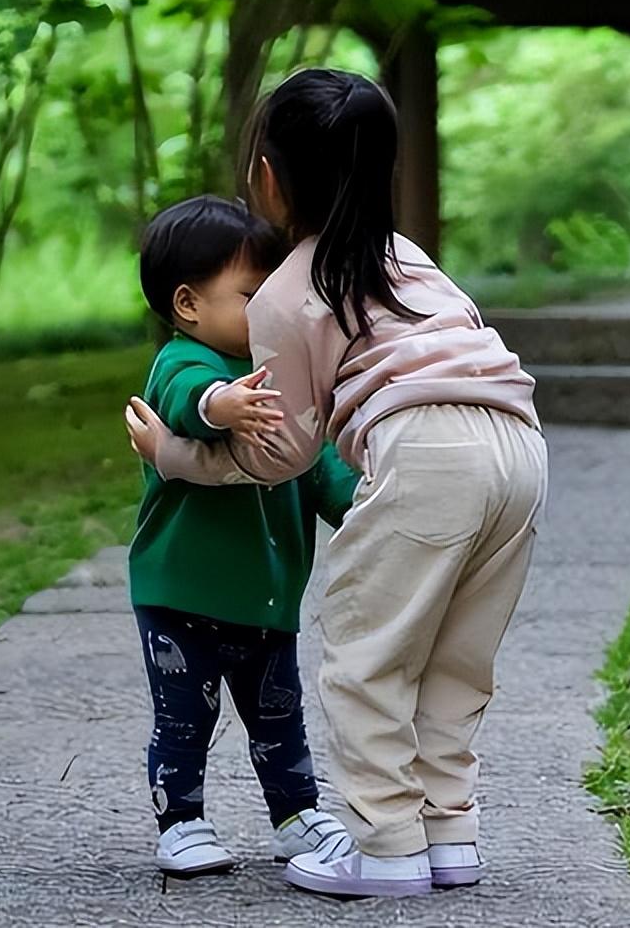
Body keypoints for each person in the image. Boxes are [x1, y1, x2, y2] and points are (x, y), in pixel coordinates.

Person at [124, 70, 548, 898]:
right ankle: (447, 834)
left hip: (427, 454)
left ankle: (386, 845)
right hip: (520, 448)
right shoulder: (408, 258)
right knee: (456, 658)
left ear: (269, 179)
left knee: (368, 657)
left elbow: (279, 453)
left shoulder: (287, 293)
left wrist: (177, 457)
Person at [129, 195, 357, 877]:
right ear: (188, 304)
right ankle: (181, 822)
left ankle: (296, 814)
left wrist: (364, 504)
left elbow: (316, 461)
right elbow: (184, 406)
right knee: (184, 718)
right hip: (183, 590)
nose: (267, 310)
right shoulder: (182, 361)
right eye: (251, 296)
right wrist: (221, 405)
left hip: (265, 592)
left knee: (279, 717)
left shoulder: (280, 371)